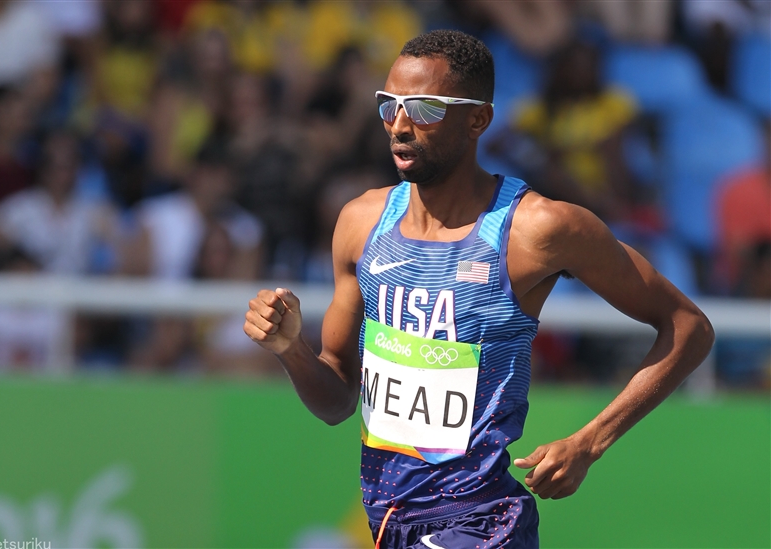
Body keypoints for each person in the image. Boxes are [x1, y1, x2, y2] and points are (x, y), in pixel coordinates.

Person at [244, 30, 714, 549]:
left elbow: (688, 326)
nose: (399, 125)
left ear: (478, 120)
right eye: (389, 105)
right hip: (386, 522)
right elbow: (336, 401)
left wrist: (590, 442)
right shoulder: (360, 224)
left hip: (482, 522)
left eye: (423, 108)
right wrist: (290, 350)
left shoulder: (538, 229)